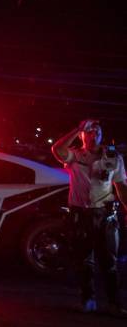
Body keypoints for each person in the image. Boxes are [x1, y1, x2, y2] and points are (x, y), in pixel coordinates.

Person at [51, 119, 127, 315]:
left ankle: (114, 304)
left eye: (97, 132)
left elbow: (121, 187)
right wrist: (77, 129)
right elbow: (57, 149)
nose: (94, 135)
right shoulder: (75, 155)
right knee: (84, 262)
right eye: (89, 132)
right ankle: (88, 300)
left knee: (109, 263)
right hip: (81, 215)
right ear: (82, 135)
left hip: (104, 215)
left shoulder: (113, 157)